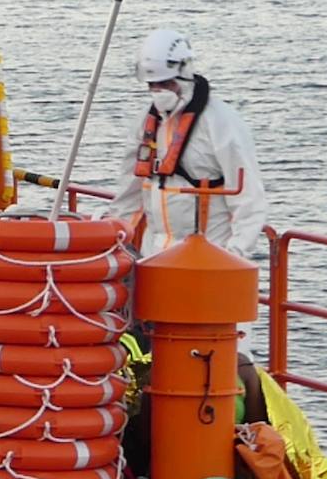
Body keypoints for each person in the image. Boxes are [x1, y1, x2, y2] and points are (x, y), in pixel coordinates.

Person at [106, 29, 268, 422]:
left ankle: (228, 429)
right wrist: (109, 239)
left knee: (212, 360)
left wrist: (234, 258)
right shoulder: (148, 123)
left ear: (184, 75)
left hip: (206, 263)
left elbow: (250, 199)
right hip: (155, 259)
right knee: (150, 353)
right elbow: (130, 190)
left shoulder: (220, 124)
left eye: (164, 83)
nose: (158, 90)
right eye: (152, 84)